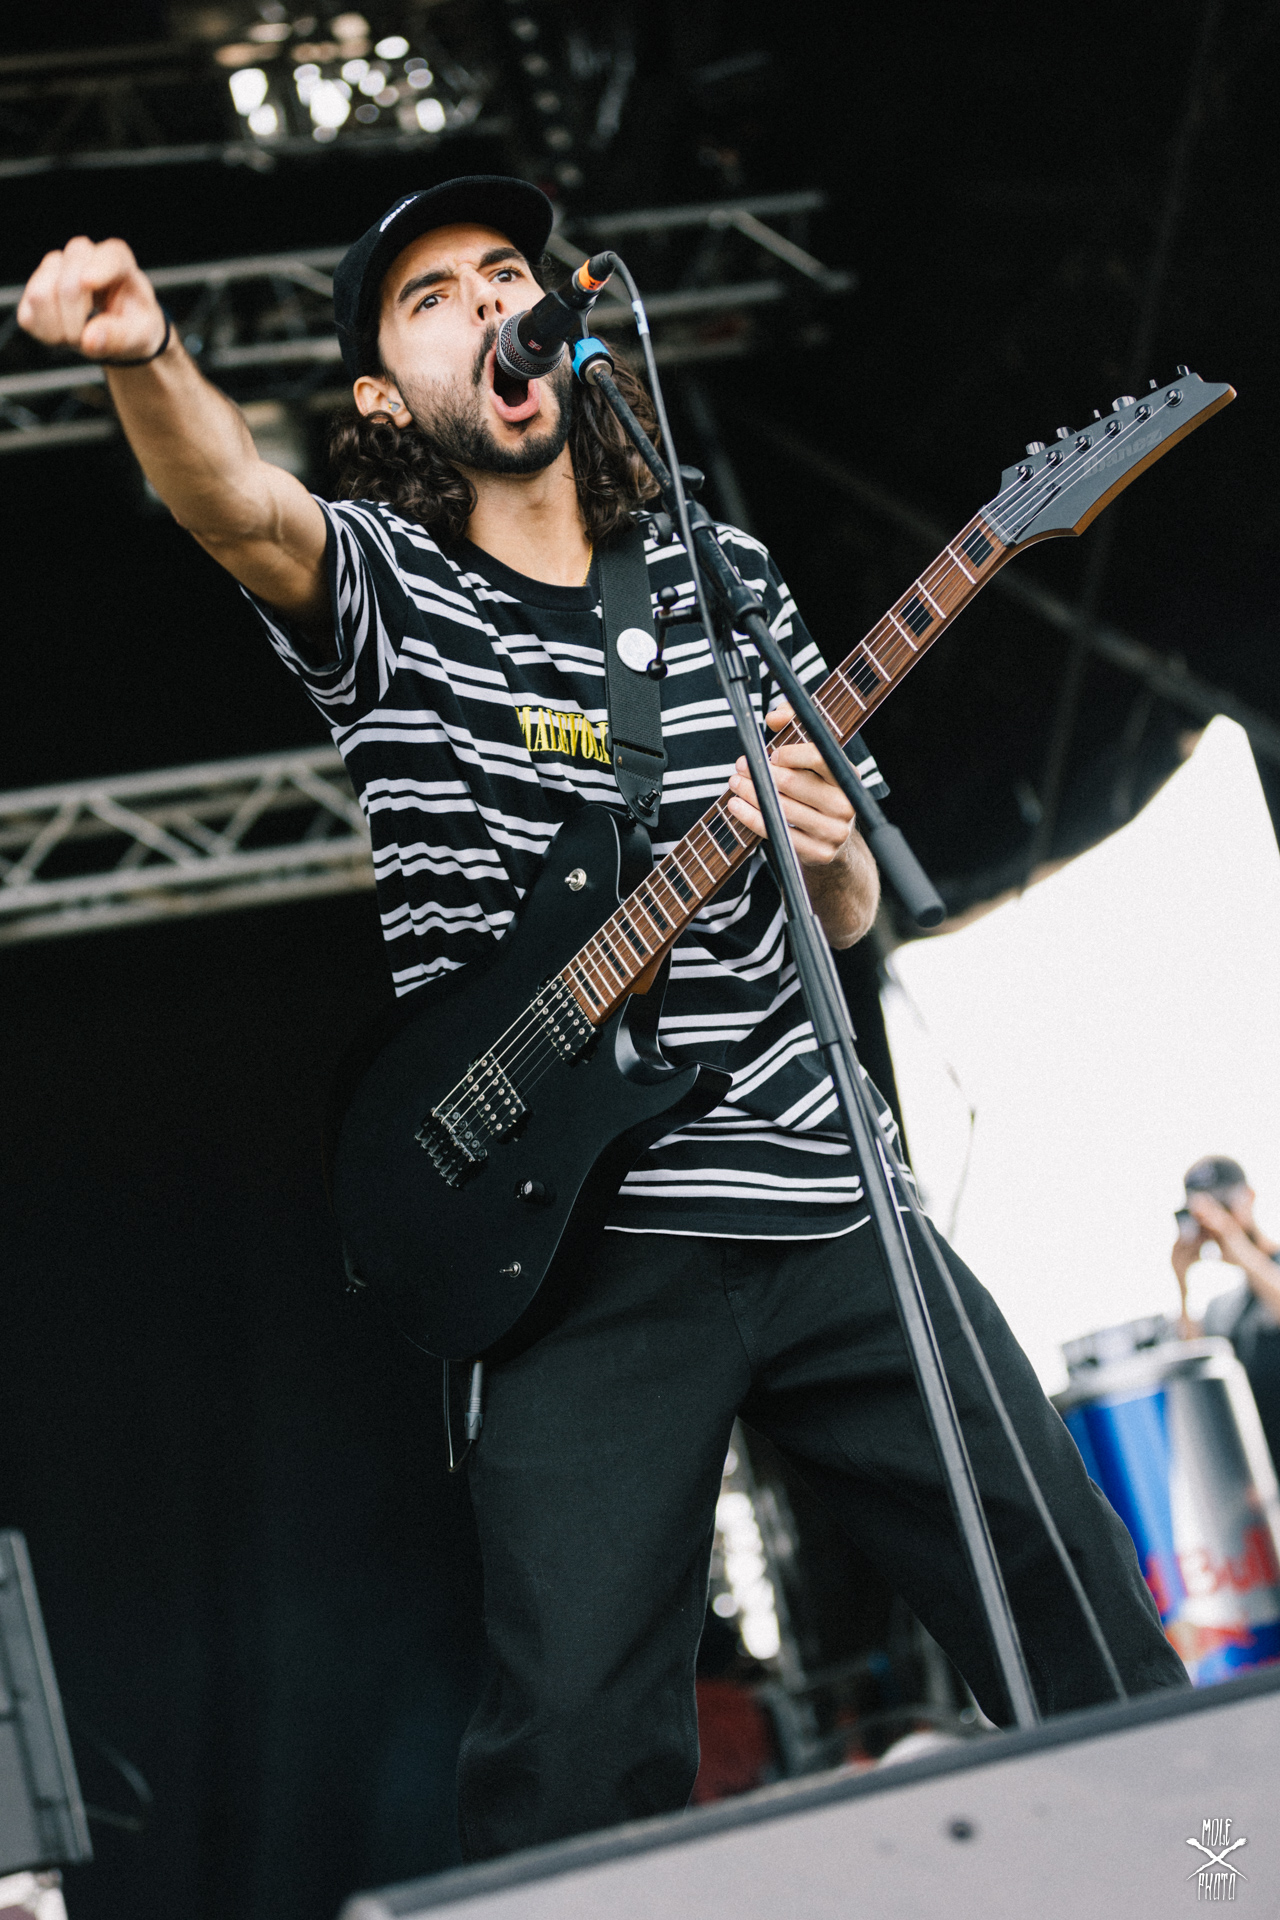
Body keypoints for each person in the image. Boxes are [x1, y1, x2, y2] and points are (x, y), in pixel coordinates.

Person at [18, 173, 1187, 1861]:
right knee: (573, 1748)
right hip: (577, 1258)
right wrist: (144, 356)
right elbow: (239, 507)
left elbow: (848, 917)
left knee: (1082, 1617)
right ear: (382, 398)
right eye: (433, 299)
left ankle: (1216, 1876)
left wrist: (829, 858)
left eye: (509, 273)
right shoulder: (396, 593)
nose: (490, 306)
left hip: (823, 1200)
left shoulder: (723, 576)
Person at [1173, 1155, 1280, 1469]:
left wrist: (1235, 1240)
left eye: (1224, 1203)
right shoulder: (1226, 1308)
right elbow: (1198, 1379)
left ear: (1250, 1196)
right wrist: (1182, 1282)